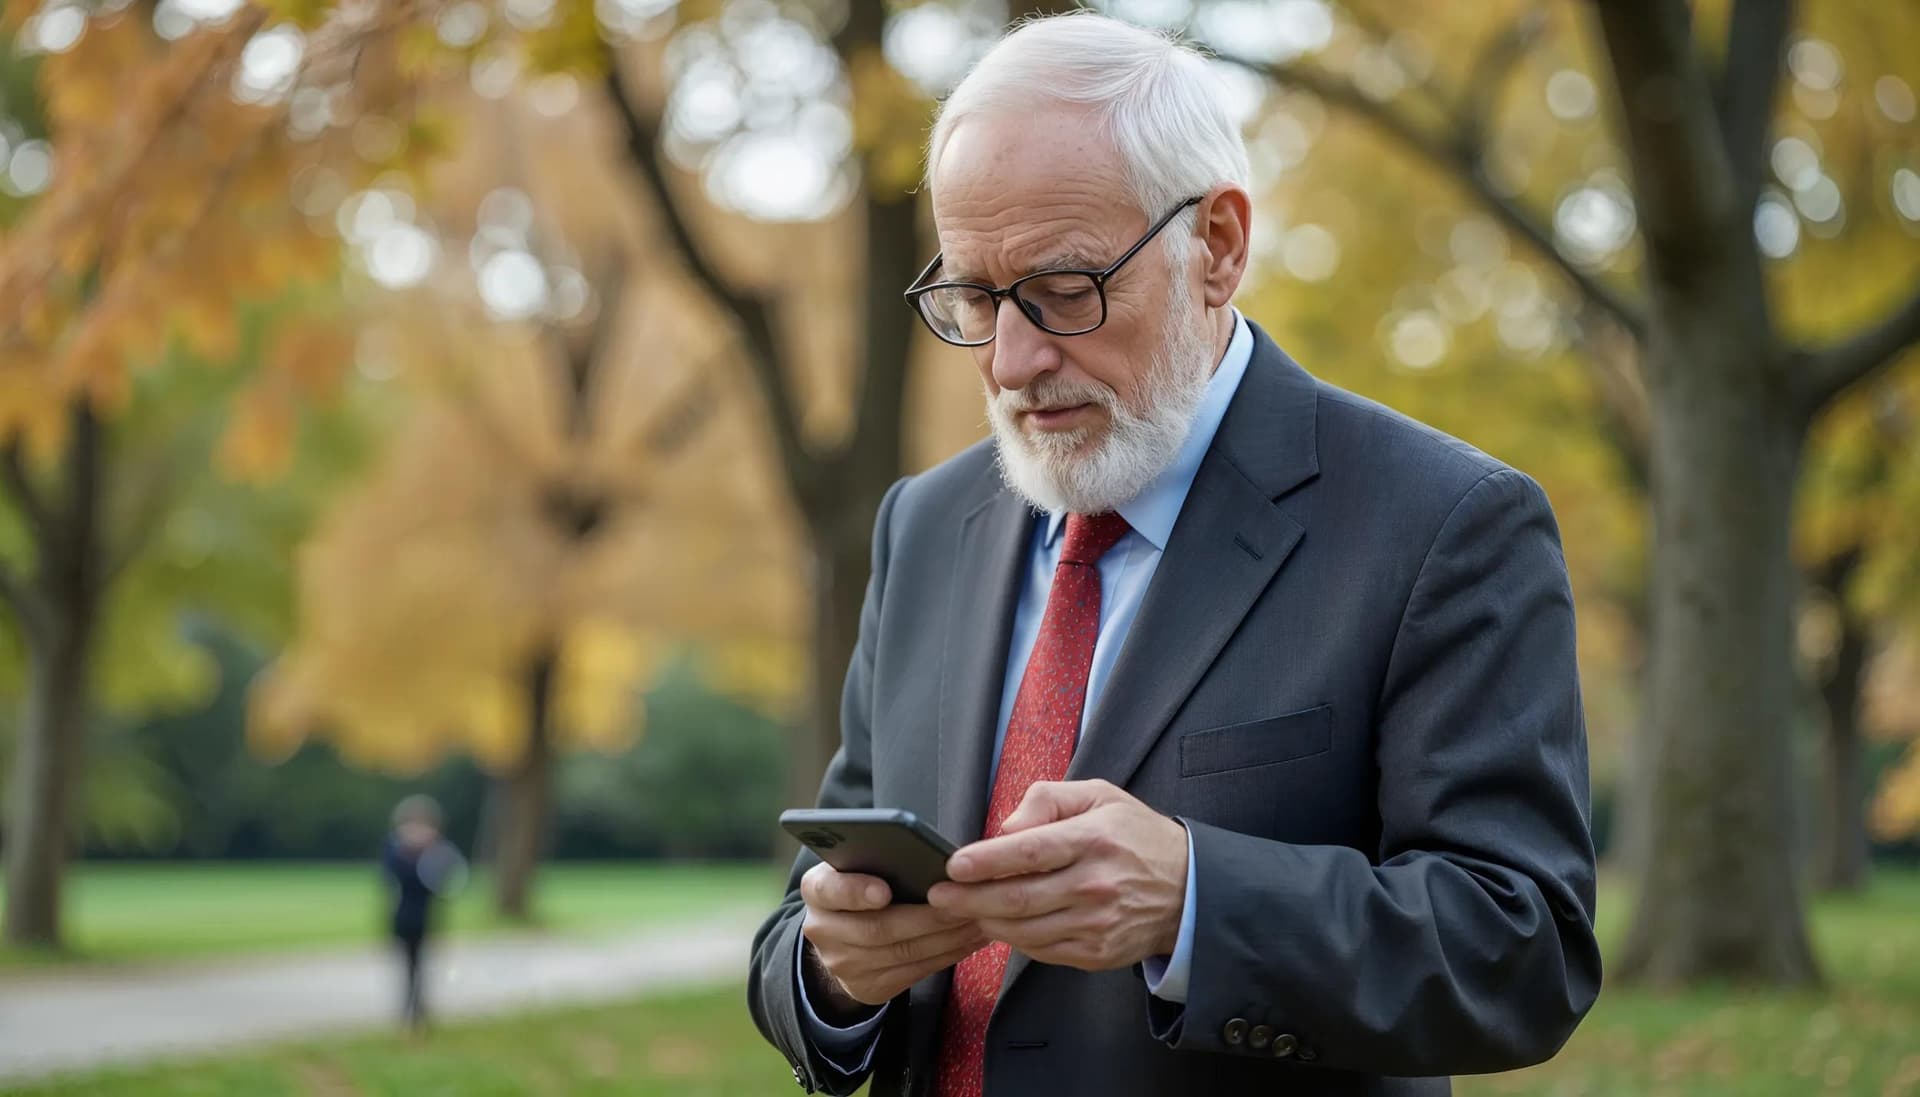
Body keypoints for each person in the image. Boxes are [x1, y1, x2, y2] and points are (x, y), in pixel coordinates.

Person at [747, 13, 1601, 1097]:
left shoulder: (1446, 523)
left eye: (1064, 290)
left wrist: (1195, 899)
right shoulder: (924, 523)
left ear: (1219, 246)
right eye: (973, 296)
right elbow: (804, 917)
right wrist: (832, 971)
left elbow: (1522, 950)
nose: (1012, 361)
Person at [381, 793, 466, 1034]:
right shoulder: (394, 847)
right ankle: (410, 1010)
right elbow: (390, 879)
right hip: (403, 916)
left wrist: (428, 851)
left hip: (426, 917)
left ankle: (419, 1011)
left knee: (423, 965)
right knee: (407, 965)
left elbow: (444, 881)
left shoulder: (437, 848)